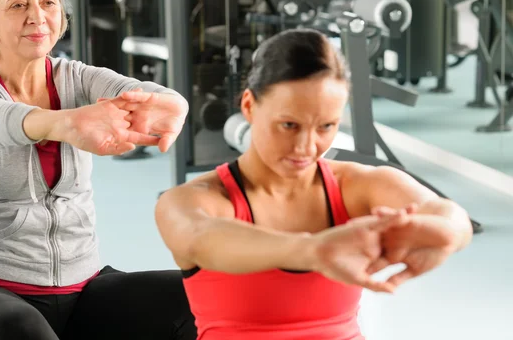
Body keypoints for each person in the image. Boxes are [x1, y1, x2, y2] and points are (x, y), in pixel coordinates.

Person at [0, 0, 196, 340]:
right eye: (18, 5)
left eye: (48, 2)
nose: (37, 16)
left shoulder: (78, 78)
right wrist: (66, 124)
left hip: (83, 289)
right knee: (18, 327)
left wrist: (173, 103)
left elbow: (140, 92)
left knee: (198, 295)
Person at [155, 28, 473, 340]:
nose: (306, 147)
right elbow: (201, 240)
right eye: (289, 125)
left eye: (326, 126)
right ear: (249, 106)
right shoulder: (191, 201)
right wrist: (314, 250)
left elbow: (451, 215)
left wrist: (445, 233)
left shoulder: (356, 185)